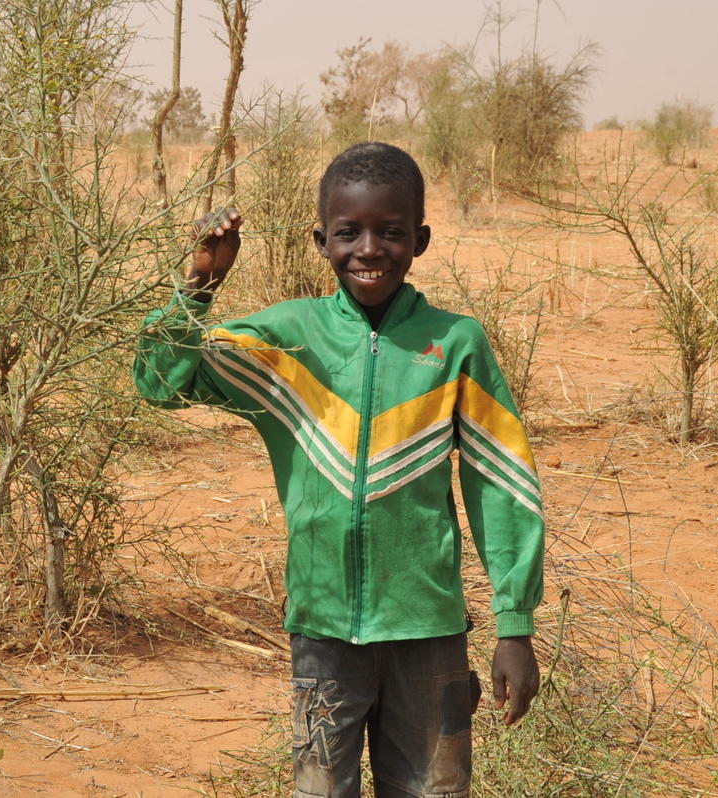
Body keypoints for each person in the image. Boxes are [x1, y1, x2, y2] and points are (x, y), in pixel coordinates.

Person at [134, 141, 544, 798]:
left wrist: (515, 626)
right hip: (322, 630)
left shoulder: (456, 342)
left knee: (435, 791)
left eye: (391, 232)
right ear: (321, 239)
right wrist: (200, 287)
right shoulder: (286, 339)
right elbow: (160, 380)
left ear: (421, 240)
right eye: (349, 232)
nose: (370, 249)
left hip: (429, 632)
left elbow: (501, 482)